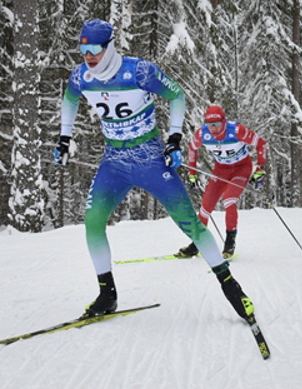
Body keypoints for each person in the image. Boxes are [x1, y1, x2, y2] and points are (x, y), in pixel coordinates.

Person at [54, 19, 255, 323]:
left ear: (109, 47)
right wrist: (64, 137)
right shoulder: (81, 76)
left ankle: (231, 287)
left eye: (94, 48)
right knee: (92, 222)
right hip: (115, 163)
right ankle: (107, 294)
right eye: (83, 49)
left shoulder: (139, 71)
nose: (88, 55)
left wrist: (174, 139)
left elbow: (177, 96)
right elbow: (69, 100)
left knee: (191, 225)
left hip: (150, 160)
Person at [175, 105, 266, 259]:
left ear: (224, 121)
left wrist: (260, 169)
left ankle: (230, 242)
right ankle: (197, 244)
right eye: (210, 125)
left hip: (241, 169)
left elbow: (261, 143)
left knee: (229, 199)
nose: (214, 129)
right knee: (205, 207)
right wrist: (192, 174)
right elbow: (192, 149)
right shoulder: (203, 134)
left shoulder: (237, 131)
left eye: (217, 124)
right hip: (221, 170)